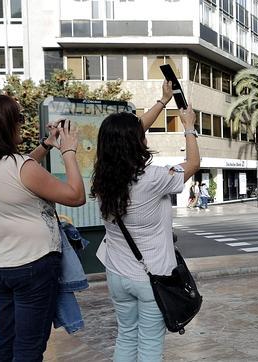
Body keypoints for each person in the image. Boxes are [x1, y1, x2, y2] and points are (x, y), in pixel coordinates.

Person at [0, 94, 85, 361]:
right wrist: (68, 151)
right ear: (4, 126)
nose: (21, 125)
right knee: (29, 347)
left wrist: (46, 145)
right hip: (33, 266)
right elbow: (75, 196)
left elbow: (17, 174)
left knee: (6, 339)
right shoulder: (19, 167)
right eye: (18, 119)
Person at [91, 84, 200, 361]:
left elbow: (128, 134)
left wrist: (163, 101)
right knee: (150, 345)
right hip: (152, 277)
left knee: (126, 336)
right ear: (136, 142)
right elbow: (193, 163)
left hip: (117, 274)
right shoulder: (153, 178)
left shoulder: (102, 180)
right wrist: (188, 126)